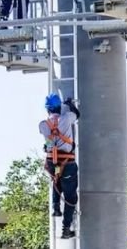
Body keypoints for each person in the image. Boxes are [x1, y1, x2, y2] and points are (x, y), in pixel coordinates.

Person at [39, 92, 80, 239]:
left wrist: (48, 147)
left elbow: (50, 141)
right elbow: (77, 114)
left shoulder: (43, 125)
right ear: (59, 106)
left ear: (47, 109)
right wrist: (69, 104)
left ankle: (56, 207)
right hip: (67, 163)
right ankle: (66, 229)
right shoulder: (67, 117)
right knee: (71, 198)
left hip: (54, 162)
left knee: (56, 180)